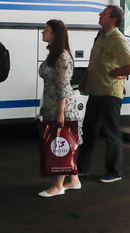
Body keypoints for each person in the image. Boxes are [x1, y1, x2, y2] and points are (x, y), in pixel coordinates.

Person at [77, 5, 130, 183]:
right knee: (88, 131)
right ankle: (82, 168)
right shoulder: (101, 36)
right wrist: (84, 81)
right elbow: (94, 63)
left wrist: (112, 74)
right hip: (95, 92)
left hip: (110, 94)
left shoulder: (118, 39)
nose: (100, 14)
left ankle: (115, 171)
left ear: (112, 20)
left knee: (111, 133)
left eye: (103, 13)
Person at [37, 19, 82, 197]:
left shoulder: (63, 57)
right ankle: (74, 179)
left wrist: (60, 112)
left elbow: (64, 87)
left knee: (60, 144)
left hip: (62, 107)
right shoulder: (53, 55)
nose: (42, 32)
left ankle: (58, 185)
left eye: (46, 29)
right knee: (66, 143)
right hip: (52, 105)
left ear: (55, 33)